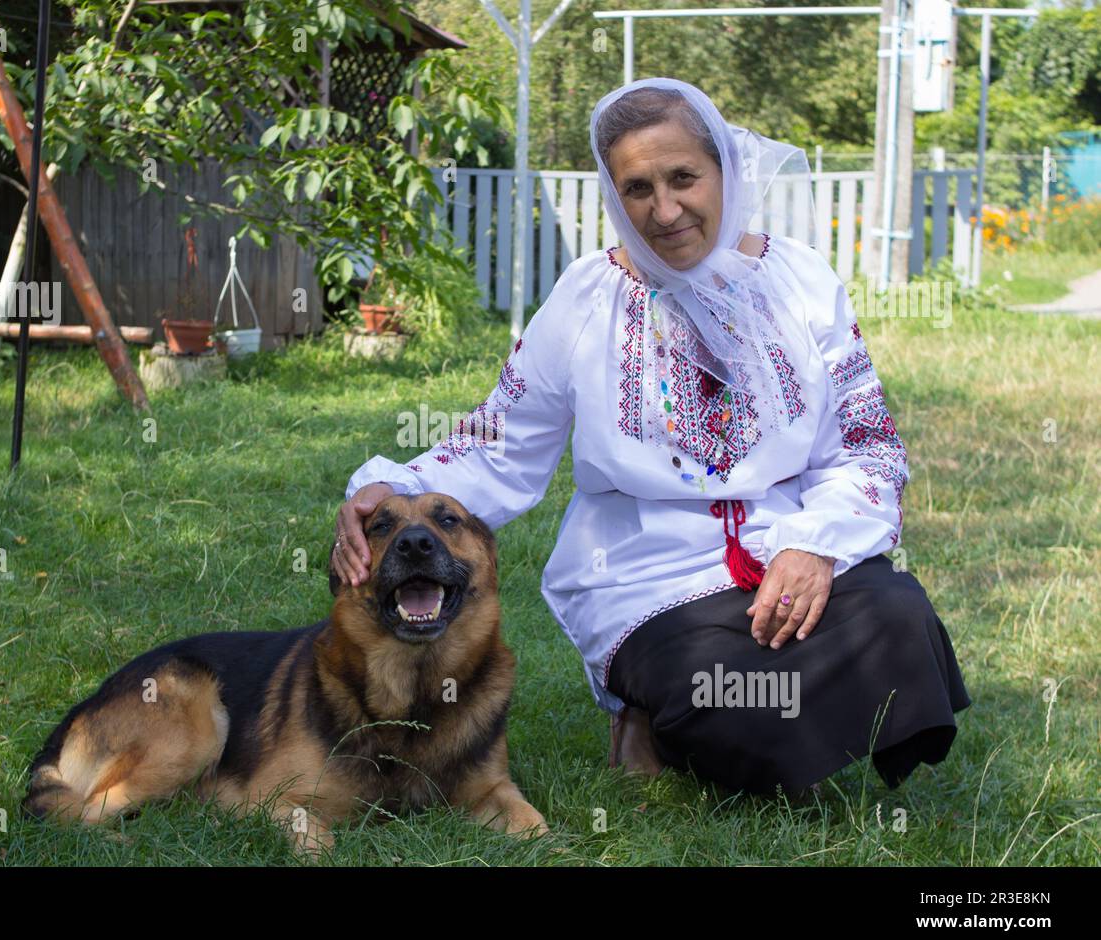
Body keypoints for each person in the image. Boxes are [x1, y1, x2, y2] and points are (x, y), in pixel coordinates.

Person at [332, 77, 970, 796]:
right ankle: (657, 713)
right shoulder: (584, 298)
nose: (664, 210)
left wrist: (815, 542)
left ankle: (749, 729)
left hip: (787, 553)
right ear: (613, 194)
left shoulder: (799, 280)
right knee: (717, 692)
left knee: (897, 614)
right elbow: (499, 445)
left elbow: (866, 443)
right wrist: (390, 486)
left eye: (683, 178)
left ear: (725, 169)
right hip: (648, 580)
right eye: (637, 188)